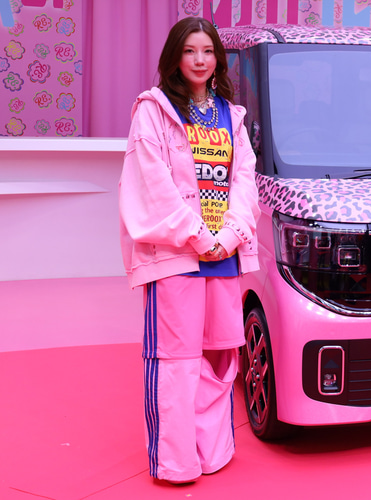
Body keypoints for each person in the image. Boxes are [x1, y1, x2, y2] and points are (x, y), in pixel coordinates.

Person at [119, 17, 260, 483]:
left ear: (218, 58)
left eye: (207, 51)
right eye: (189, 51)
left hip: (224, 256)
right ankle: (177, 462)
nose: (200, 60)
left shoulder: (231, 115)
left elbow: (244, 181)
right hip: (177, 258)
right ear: (174, 58)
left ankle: (213, 453)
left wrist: (230, 235)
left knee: (221, 358)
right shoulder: (153, 110)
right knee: (176, 363)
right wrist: (200, 237)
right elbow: (153, 185)